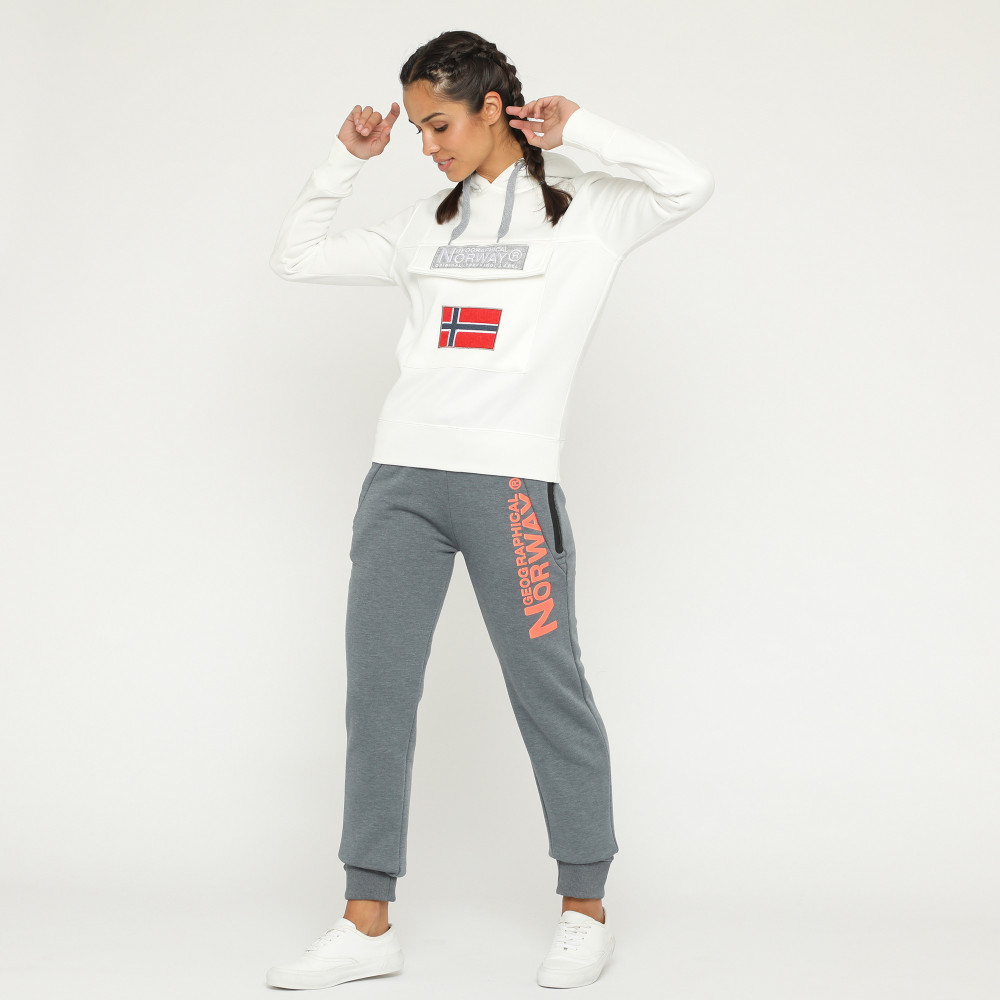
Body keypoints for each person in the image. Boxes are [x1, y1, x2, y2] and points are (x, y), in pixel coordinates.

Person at [263, 29, 713, 991]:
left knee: (549, 690)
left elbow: (688, 183)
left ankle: (586, 910)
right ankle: (366, 922)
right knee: (378, 697)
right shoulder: (422, 227)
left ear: (492, 109)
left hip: (510, 487)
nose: (428, 145)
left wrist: (579, 128)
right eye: (417, 129)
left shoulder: (586, 214)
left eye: (439, 125)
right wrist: (345, 160)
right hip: (402, 484)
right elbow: (294, 257)